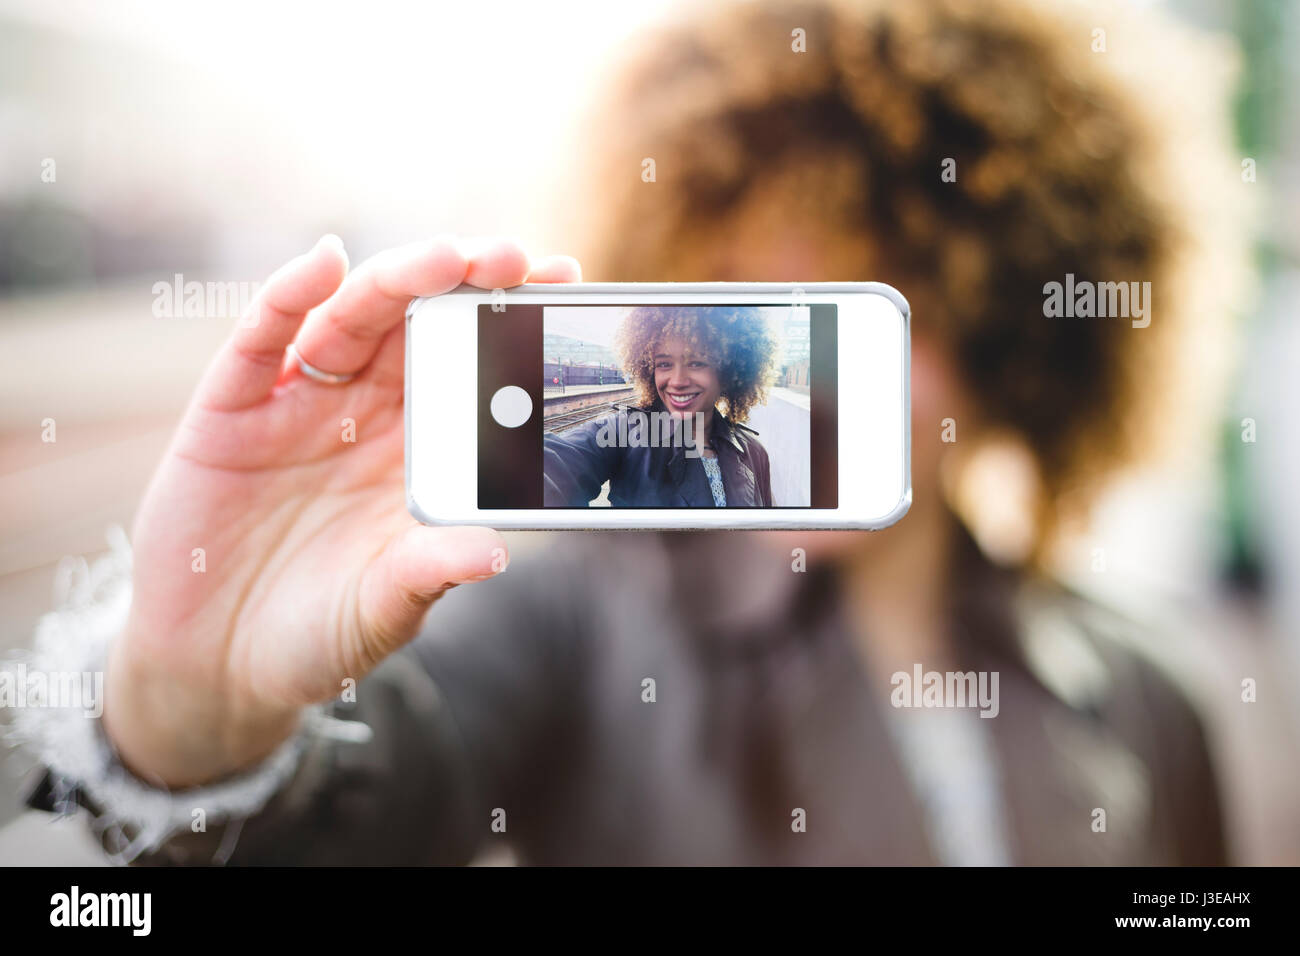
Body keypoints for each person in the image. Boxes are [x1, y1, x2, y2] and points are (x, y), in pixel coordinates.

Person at [17, 0, 1243, 864]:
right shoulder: (566, 620)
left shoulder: (1151, 692)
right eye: (725, 300)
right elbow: (354, 807)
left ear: (1003, 334)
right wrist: (189, 720)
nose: (799, 375)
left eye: (863, 302)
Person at [544, 306, 777, 507]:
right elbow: (552, 464)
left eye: (696, 363)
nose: (676, 381)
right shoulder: (622, 433)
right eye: (664, 364)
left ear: (728, 371)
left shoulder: (753, 452)